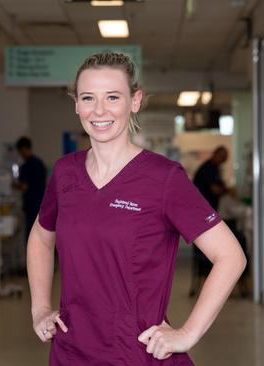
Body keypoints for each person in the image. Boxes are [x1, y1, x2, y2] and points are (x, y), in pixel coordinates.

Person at [26, 52, 246, 365]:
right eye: (88, 97)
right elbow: (41, 237)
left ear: (135, 101)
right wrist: (40, 308)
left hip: (136, 354)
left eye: (113, 97)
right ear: (76, 104)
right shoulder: (65, 173)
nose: (99, 110)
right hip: (71, 352)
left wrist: (188, 333)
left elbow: (230, 256)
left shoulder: (163, 177)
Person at [189, 147, 229, 296]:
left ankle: (209, 284)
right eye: (223, 157)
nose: (224, 161)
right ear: (216, 155)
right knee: (205, 253)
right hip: (201, 217)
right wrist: (228, 191)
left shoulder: (215, 168)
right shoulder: (208, 169)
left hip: (207, 215)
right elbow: (215, 190)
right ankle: (207, 285)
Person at [14, 136, 47, 244]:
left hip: (32, 206)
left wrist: (13, 185)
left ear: (23, 149)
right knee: (42, 234)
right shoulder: (39, 163)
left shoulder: (27, 166)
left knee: (31, 235)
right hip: (41, 204)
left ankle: (31, 258)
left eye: (20, 151)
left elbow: (25, 186)